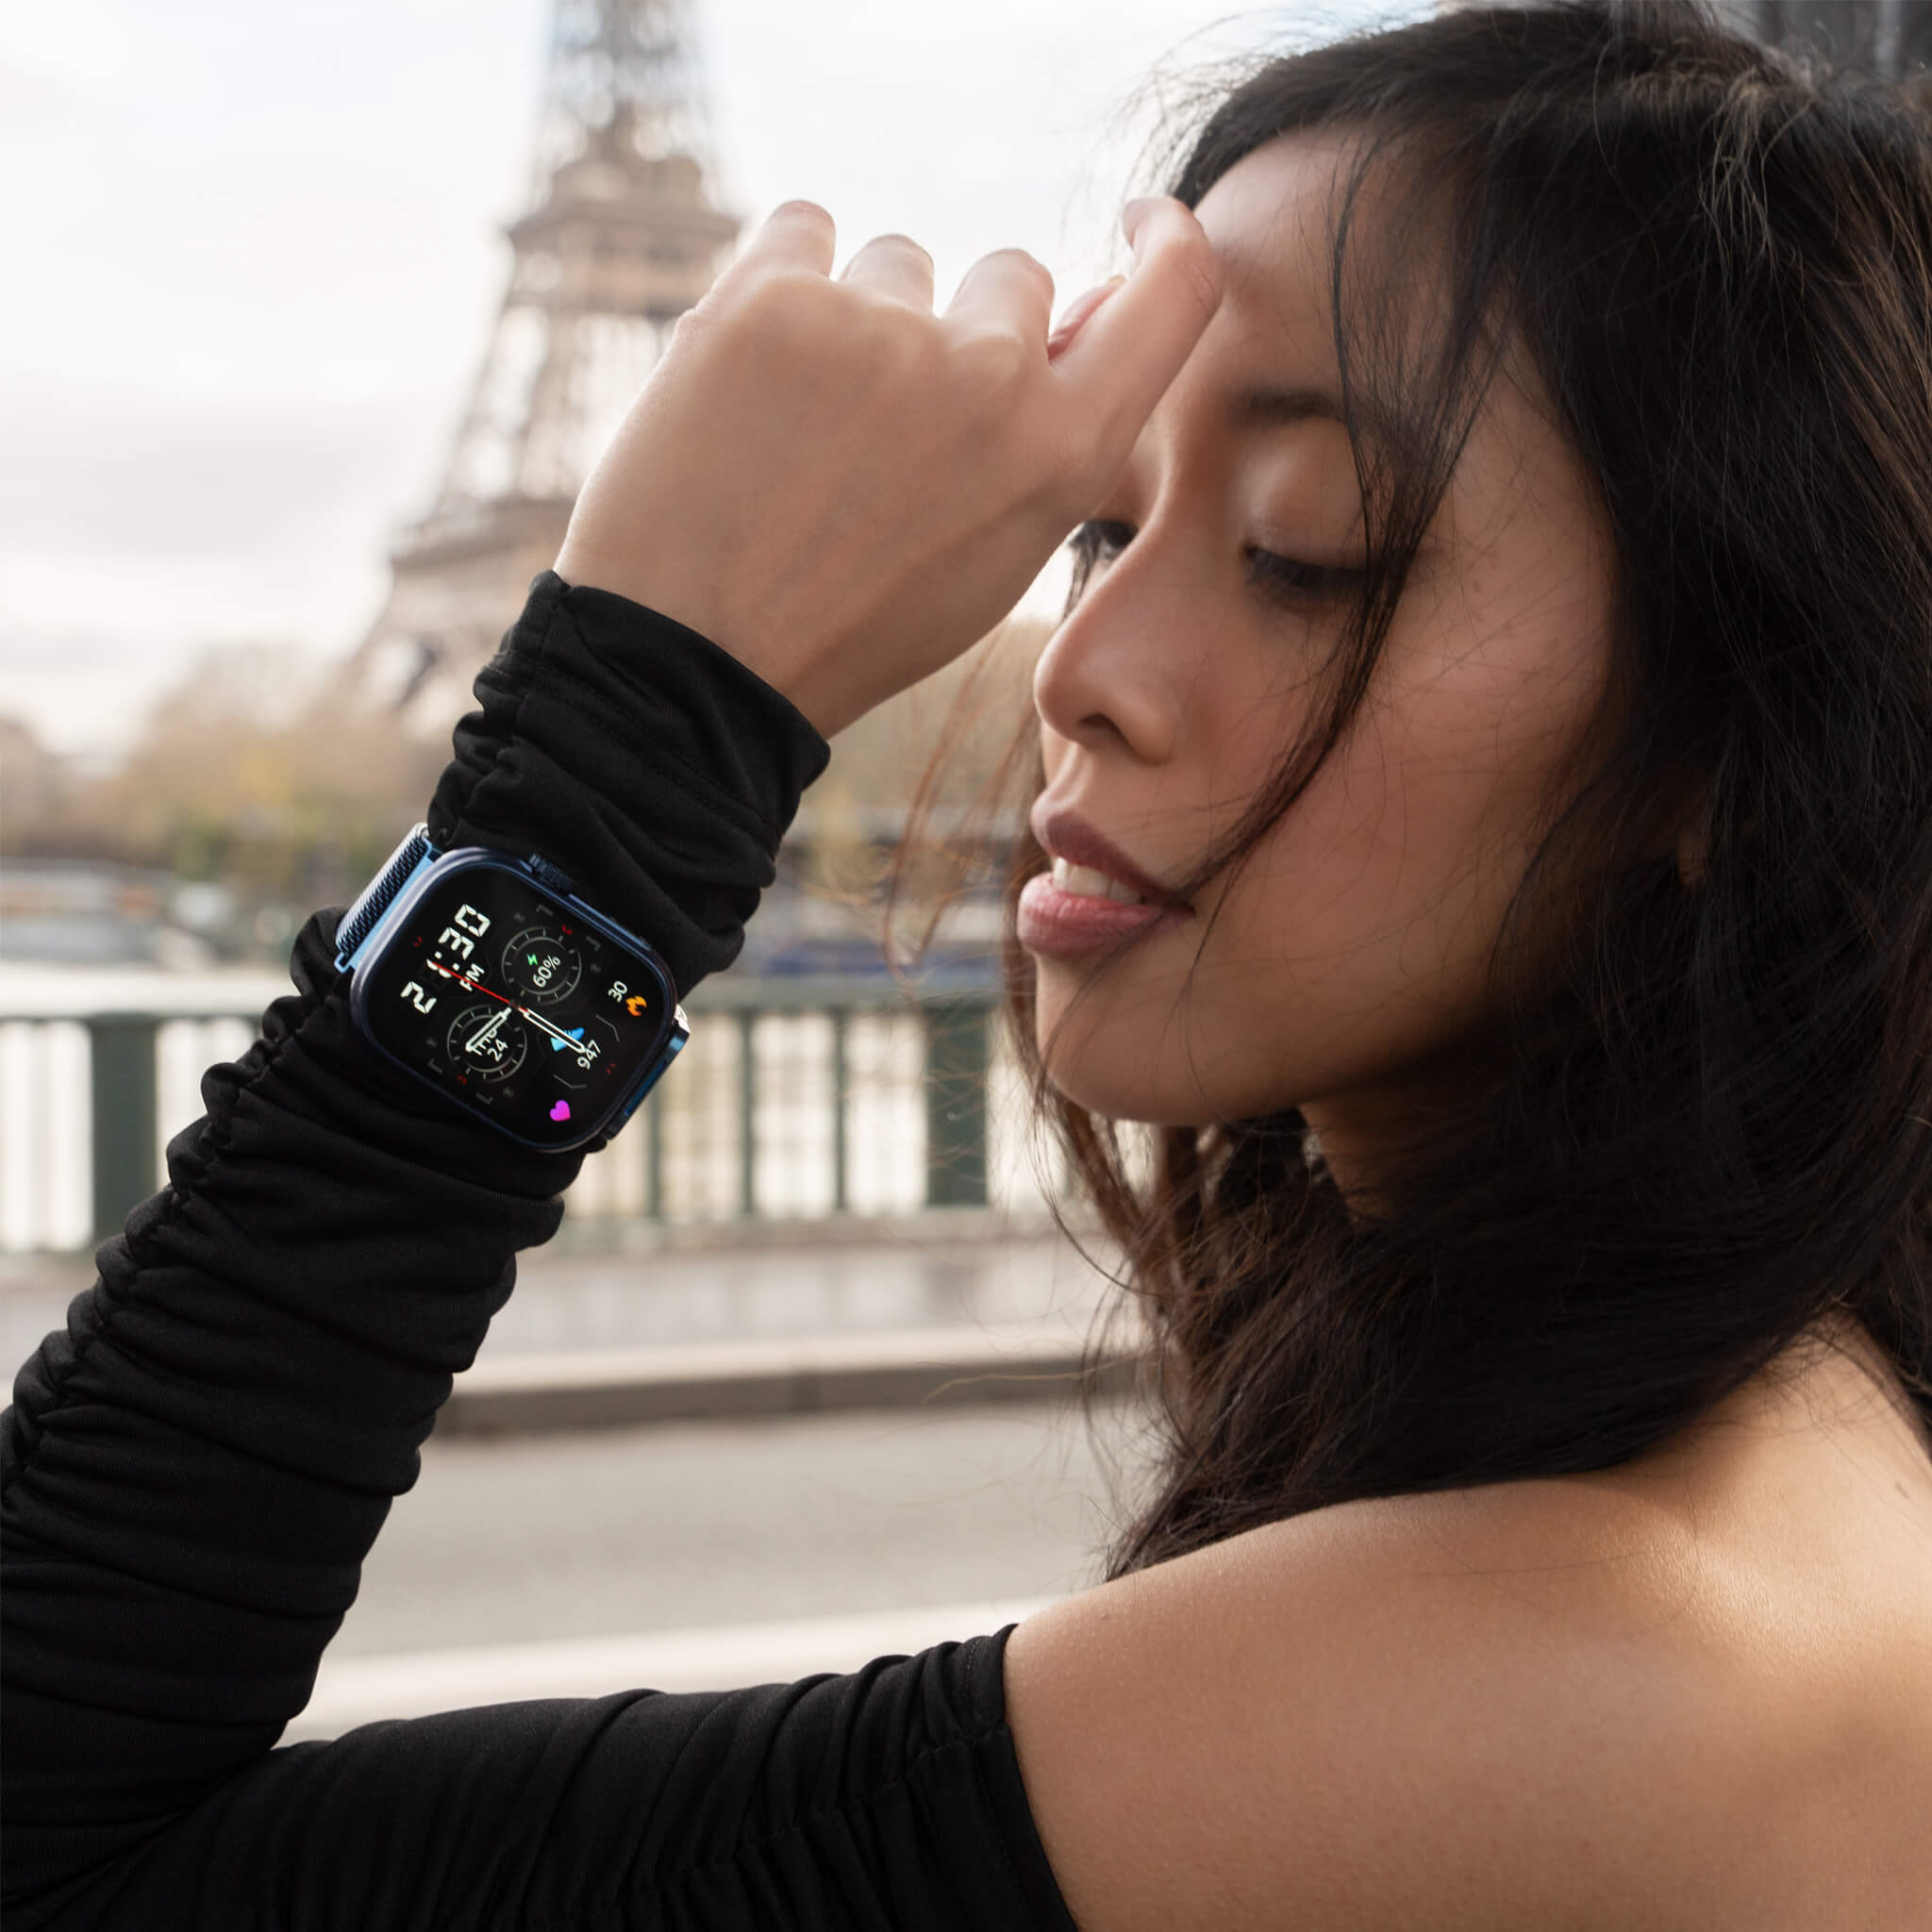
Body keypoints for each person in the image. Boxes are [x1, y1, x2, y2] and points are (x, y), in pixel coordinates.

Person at [6, 0, 1930, 1923]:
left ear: (1736, 725)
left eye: (1302, 549)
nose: (1077, 672)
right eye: (1099, 530)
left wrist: (631, 726)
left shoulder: (1585, 1666)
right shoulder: (1743, 1477)